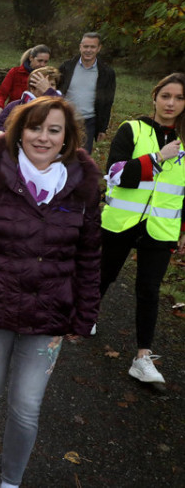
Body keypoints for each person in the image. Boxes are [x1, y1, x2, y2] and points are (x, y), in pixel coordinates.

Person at [0, 97, 101, 487]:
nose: (43, 138)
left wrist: (85, 314)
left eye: (54, 130)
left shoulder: (82, 190)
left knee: (26, 407)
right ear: (19, 131)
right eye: (35, 128)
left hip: (47, 315)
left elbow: (89, 256)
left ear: (67, 139)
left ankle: (11, 481)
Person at [100, 73, 185, 385]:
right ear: (155, 97)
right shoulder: (132, 129)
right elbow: (116, 174)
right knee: (104, 274)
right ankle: (85, 315)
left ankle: (142, 357)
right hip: (122, 221)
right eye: (166, 96)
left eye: (178, 98)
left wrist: (182, 229)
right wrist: (158, 158)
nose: (171, 103)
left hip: (161, 228)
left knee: (148, 290)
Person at [59, 32, 116, 153]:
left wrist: (102, 128)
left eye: (92, 47)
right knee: (58, 153)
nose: (88, 50)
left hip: (87, 122)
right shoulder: (66, 67)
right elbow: (56, 91)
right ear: (80, 47)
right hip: (63, 118)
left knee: (81, 158)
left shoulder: (106, 73)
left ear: (99, 48)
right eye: (85, 46)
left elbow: (107, 101)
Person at [0, 66, 62, 131]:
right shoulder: (15, 106)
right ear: (32, 88)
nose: (49, 88)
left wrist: (48, 92)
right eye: (43, 85)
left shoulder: (60, 107)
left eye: (52, 85)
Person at [0, 45, 51, 117]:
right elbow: (1, 93)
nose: (42, 65)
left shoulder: (47, 77)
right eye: (39, 61)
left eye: (45, 62)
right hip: (13, 114)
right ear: (31, 58)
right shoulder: (15, 72)